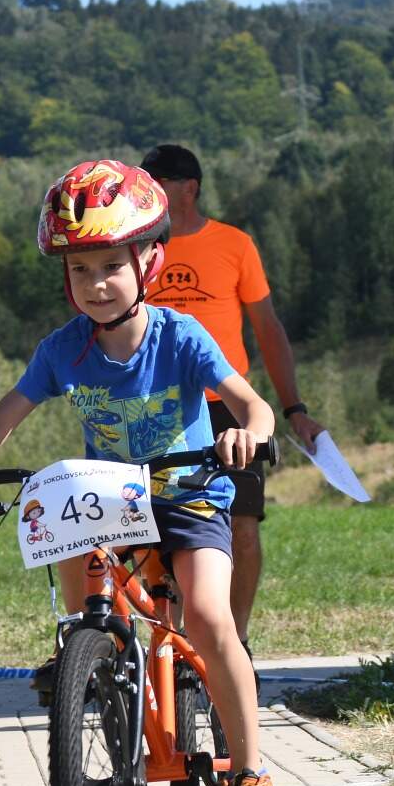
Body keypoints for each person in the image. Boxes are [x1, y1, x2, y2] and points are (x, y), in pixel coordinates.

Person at [0, 160, 281, 786]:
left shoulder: (180, 338)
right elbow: (0, 418)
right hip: (115, 504)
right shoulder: (64, 348)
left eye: (110, 266)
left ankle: (250, 779)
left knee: (210, 619)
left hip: (188, 496)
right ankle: (87, 651)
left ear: (149, 259)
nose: (95, 283)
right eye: (81, 269)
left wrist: (249, 432)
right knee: (58, 511)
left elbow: (252, 403)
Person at [140, 144, 325, 641]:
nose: (145, 192)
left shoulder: (235, 244)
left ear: (189, 189)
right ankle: (171, 645)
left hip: (228, 410)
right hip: (159, 411)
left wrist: (294, 410)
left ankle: (235, 643)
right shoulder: (140, 250)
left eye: (155, 183)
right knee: (153, 535)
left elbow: (268, 329)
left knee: (242, 528)